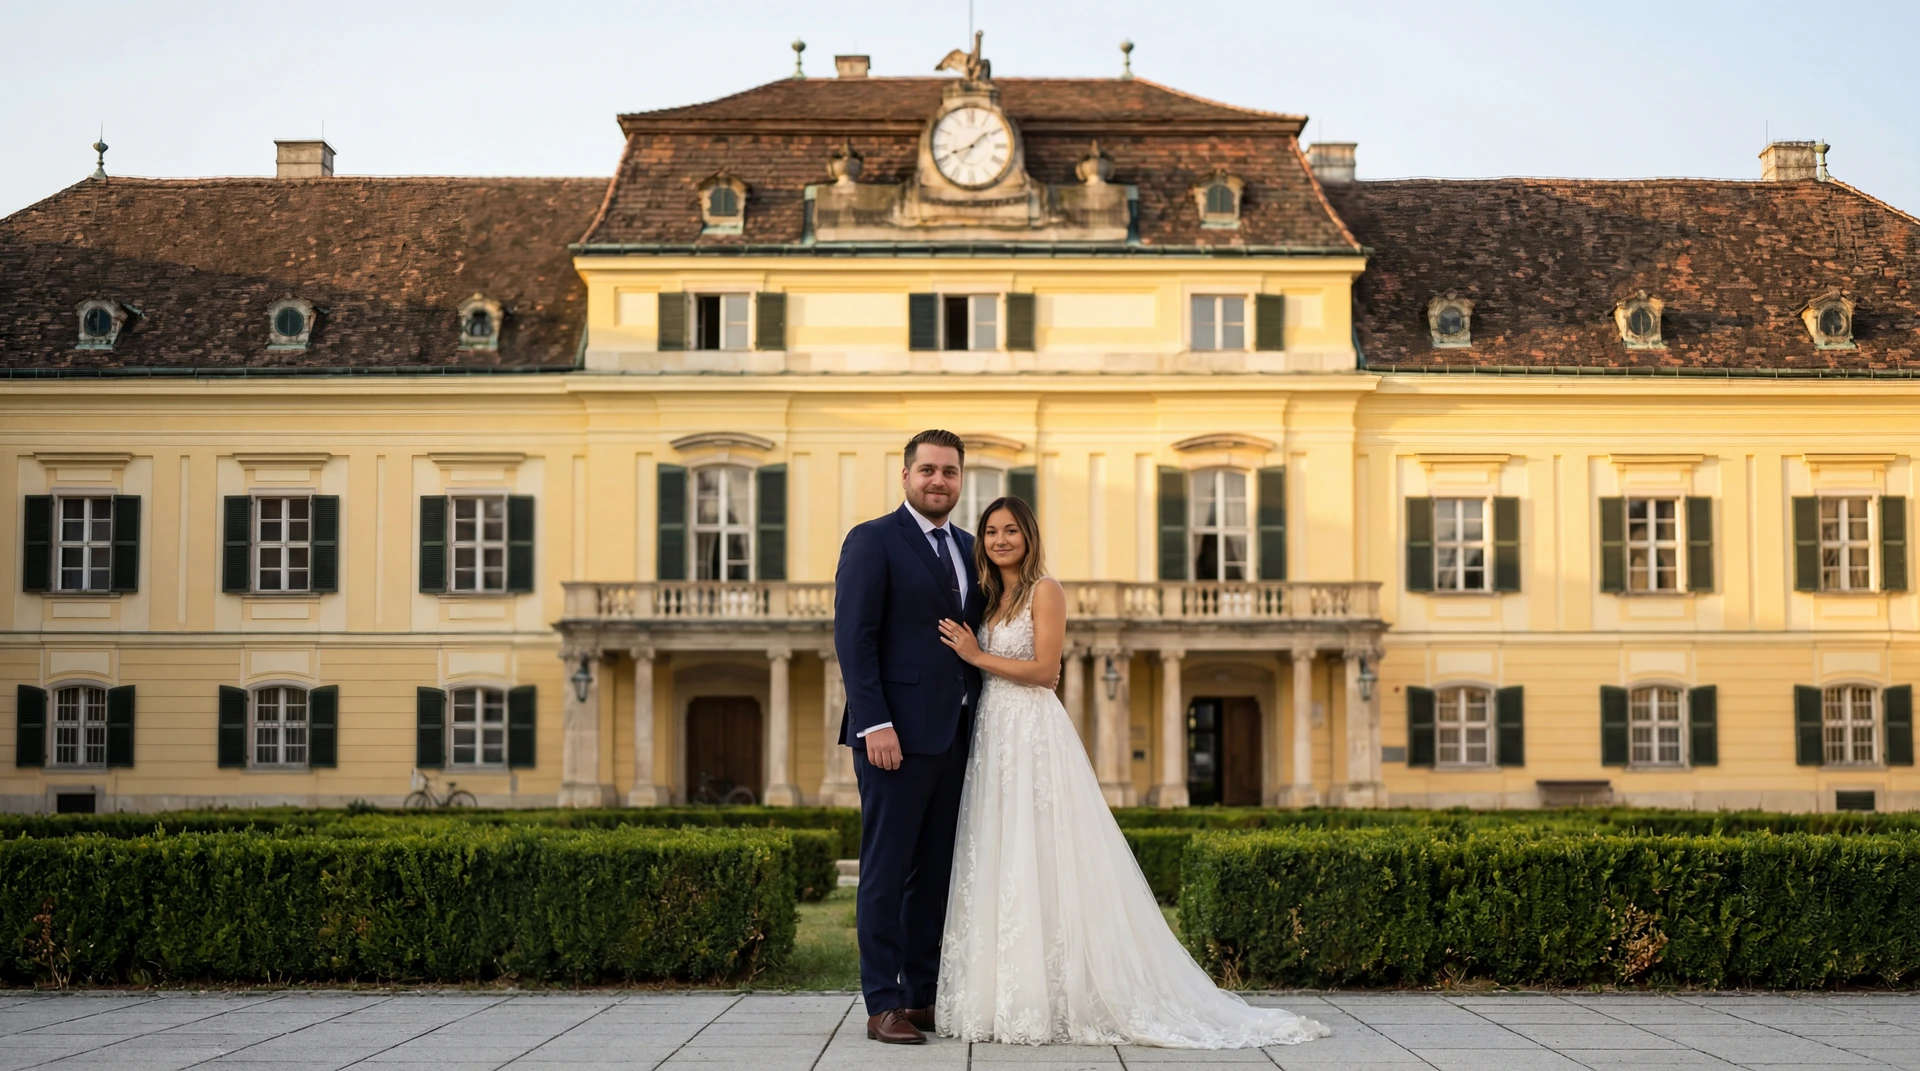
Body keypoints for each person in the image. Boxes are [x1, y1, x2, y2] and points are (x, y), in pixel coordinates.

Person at [931, 495, 1330, 1048]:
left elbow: (1046, 671)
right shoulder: (993, 599)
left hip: (1032, 729)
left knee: (1044, 847)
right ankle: (1011, 993)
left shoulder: (1046, 590)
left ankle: (1067, 991)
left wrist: (976, 656)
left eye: (1011, 531)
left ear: (1029, 536)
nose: (1000, 540)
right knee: (1003, 849)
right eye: (991, 531)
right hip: (995, 731)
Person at [833, 429, 988, 1045]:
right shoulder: (873, 540)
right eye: (927, 470)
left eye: (949, 472)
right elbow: (855, 637)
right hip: (891, 737)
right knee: (887, 868)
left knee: (937, 871)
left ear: (959, 480)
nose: (938, 481)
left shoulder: (971, 548)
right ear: (905, 476)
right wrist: (875, 723)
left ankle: (923, 994)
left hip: (955, 735)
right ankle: (883, 1003)